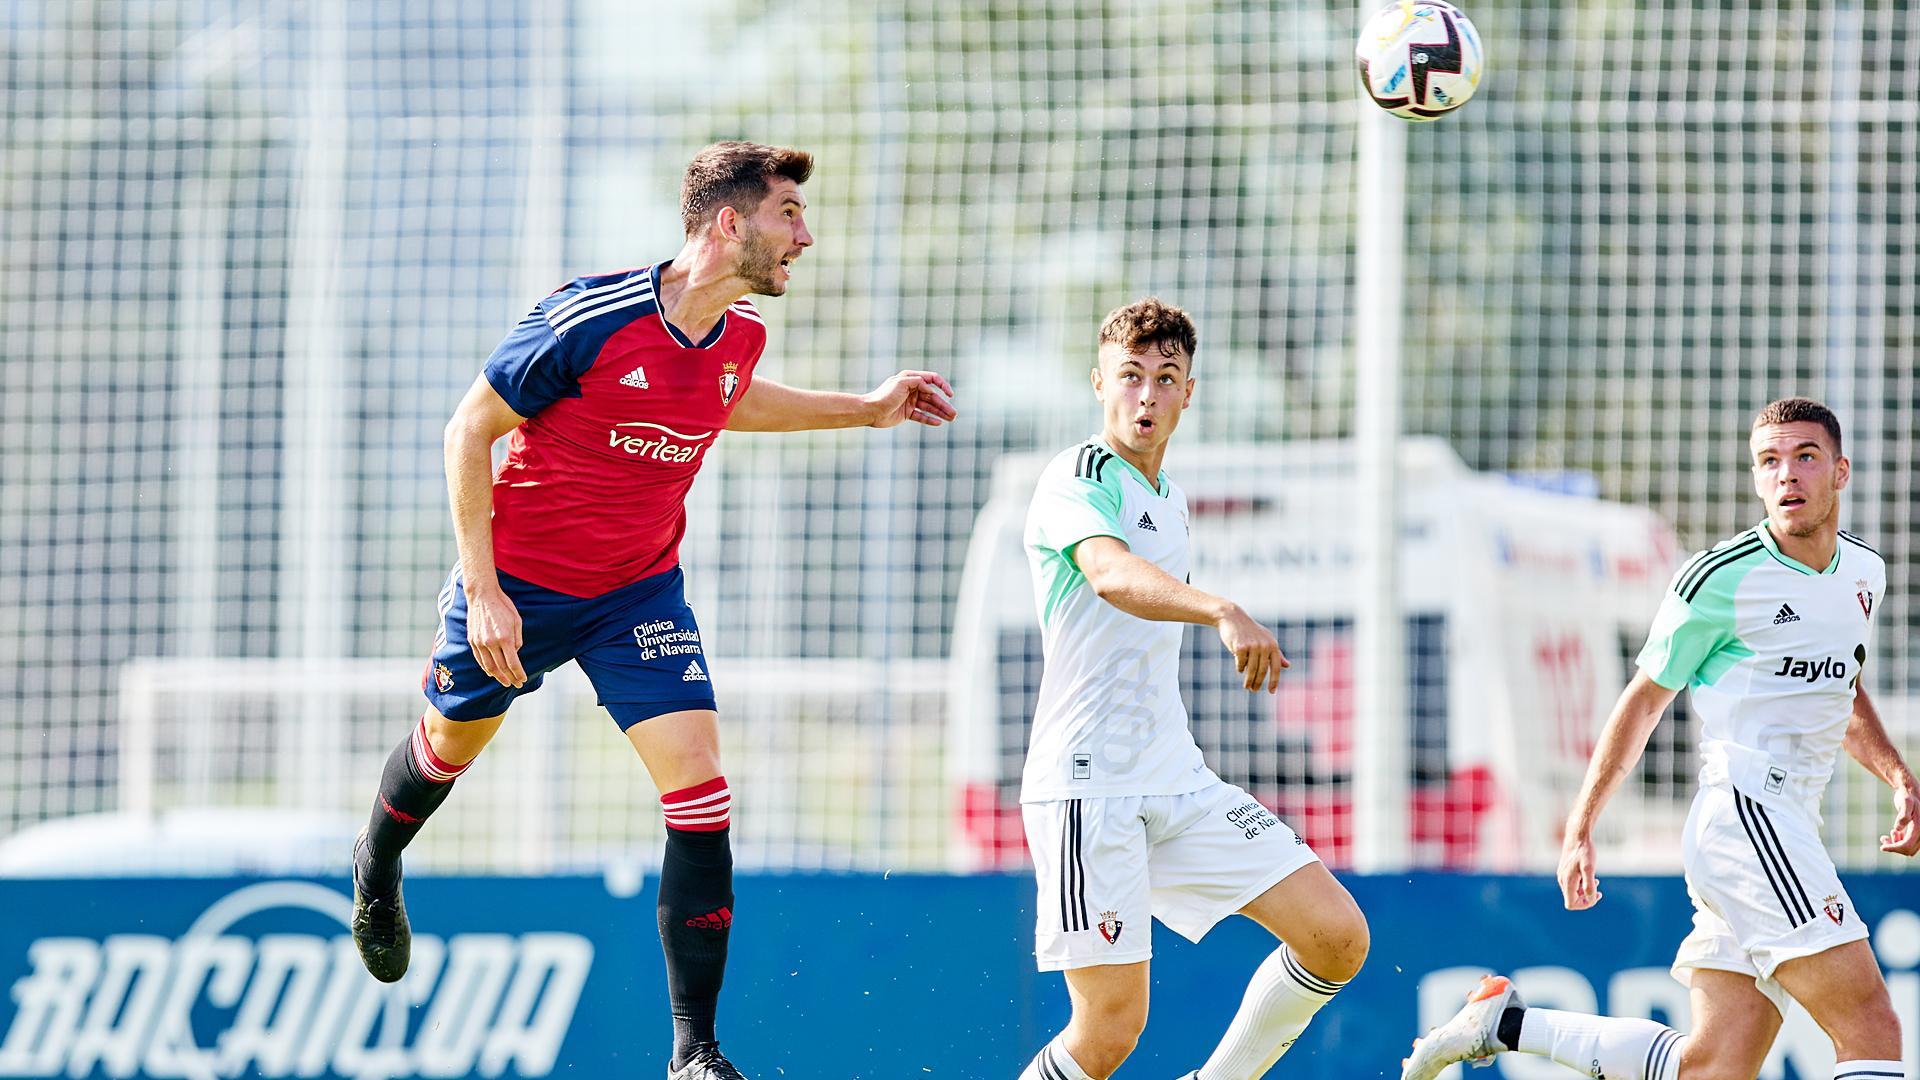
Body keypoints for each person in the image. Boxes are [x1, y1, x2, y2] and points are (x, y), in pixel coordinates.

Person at [348, 141, 956, 1080]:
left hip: (638, 593)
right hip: (520, 587)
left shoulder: (741, 332)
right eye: (788, 214)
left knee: (702, 788)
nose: (805, 235)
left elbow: (729, 402)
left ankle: (693, 1052)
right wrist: (483, 591)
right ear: (729, 222)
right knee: (444, 751)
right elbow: (469, 428)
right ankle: (380, 864)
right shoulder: (590, 318)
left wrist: (868, 409)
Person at [1402, 397, 1918, 1080]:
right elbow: (1642, 702)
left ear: (1841, 472)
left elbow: (1840, 689)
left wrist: (1898, 776)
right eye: (1769, 462)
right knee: (1870, 1026)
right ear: (1755, 477)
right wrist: (1580, 826)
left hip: (1788, 822)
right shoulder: (1720, 578)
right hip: (1747, 817)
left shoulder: (1862, 574)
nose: (1786, 476)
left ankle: (1505, 1022)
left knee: (1712, 1067)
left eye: (1805, 458)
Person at [1013, 298, 1369, 1080]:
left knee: (1336, 935)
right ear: (1099, 382)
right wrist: (1222, 608)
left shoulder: (1169, 498)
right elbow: (1107, 575)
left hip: (1174, 776)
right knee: (1108, 1033)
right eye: (1130, 376)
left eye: (1165, 379)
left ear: (1188, 393)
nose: (1146, 396)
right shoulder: (1075, 477)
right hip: (1090, 786)